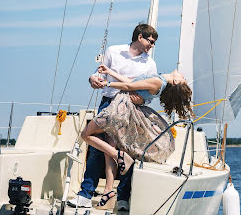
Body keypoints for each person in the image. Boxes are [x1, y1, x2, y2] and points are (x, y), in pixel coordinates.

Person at [68, 24, 158, 210]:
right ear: (140, 37)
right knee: (96, 150)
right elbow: (98, 73)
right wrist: (93, 79)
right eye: (150, 41)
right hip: (108, 102)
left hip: (132, 107)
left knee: (128, 149)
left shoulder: (150, 63)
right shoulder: (114, 51)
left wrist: (141, 100)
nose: (152, 45)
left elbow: (149, 92)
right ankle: (86, 195)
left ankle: (122, 198)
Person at [79, 67, 194, 204]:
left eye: (183, 79)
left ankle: (119, 156)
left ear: (175, 81)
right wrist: (110, 72)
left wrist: (106, 84)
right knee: (107, 150)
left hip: (119, 108)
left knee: (86, 134)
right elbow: (130, 81)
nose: (184, 76)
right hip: (123, 107)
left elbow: (129, 86)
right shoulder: (159, 80)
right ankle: (108, 191)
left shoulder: (158, 81)